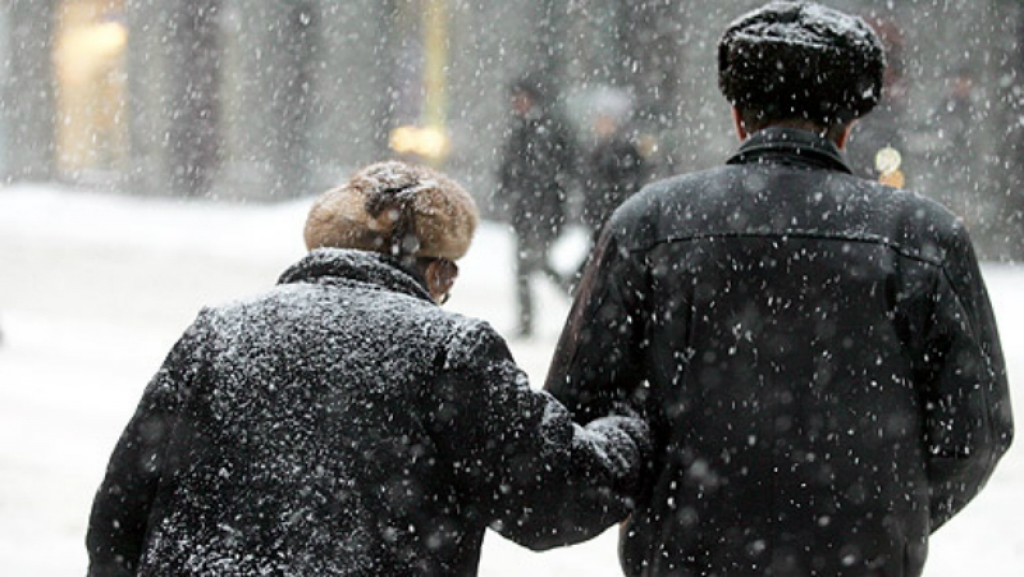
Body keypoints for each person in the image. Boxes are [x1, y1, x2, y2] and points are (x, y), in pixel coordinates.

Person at [544, 2, 1013, 576]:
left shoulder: (650, 224)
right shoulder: (923, 237)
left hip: (689, 557)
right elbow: (977, 431)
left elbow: (577, 414)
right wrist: (883, 515)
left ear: (739, 115)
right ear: (848, 124)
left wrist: (665, 501)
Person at [86, 161, 649, 576]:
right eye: (448, 273)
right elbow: (552, 496)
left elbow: (120, 511)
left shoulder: (219, 332)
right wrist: (630, 434)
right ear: (436, 273)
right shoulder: (449, 349)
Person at [496, 73, 578, 338]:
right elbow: (509, 168)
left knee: (537, 263)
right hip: (525, 211)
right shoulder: (520, 129)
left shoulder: (547, 129)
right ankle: (530, 319)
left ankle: (578, 297)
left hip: (544, 211)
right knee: (526, 266)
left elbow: (558, 170)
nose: (516, 103)